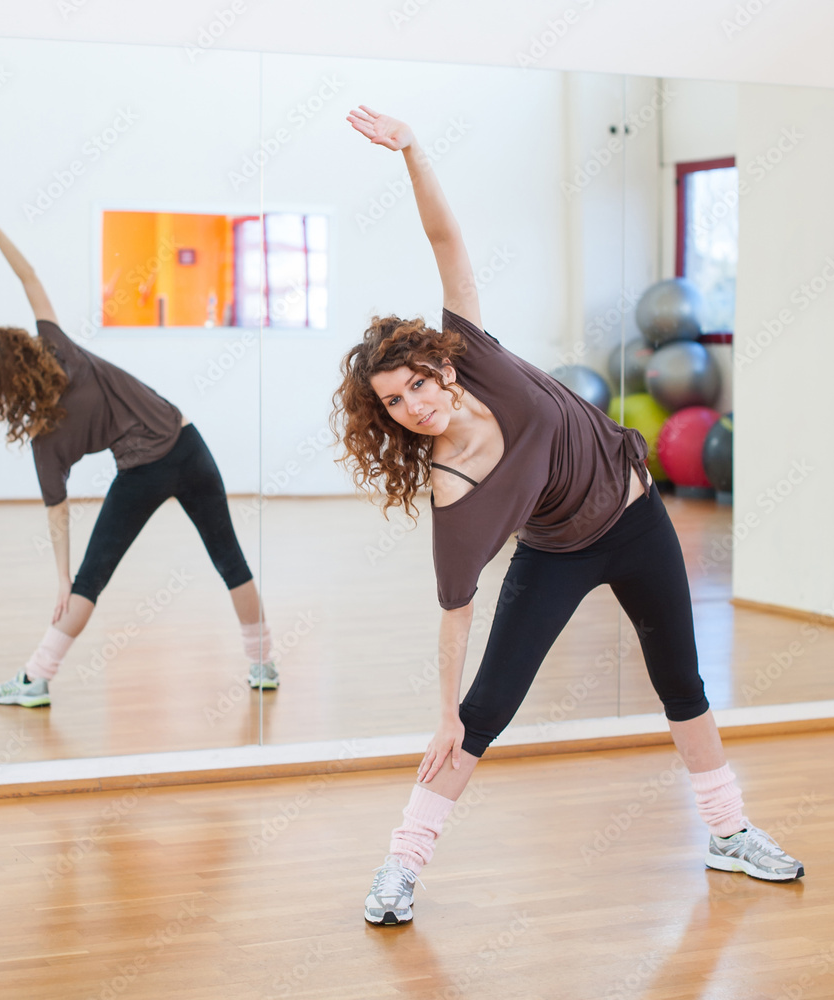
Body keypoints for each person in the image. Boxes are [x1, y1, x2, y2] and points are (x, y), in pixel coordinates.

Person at [333, 108, 803, 926]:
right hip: (557, 554)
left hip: (639, 516)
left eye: (414, 384)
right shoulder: (454, 488)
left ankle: (729, 833)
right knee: (484, 712)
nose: (411, 405)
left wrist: (413, 148)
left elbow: (446, 243)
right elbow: (455, 610)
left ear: (438, 367)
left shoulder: (470, 350)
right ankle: (402, 865)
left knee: (681, 683)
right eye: (393, 402)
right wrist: (443, 710)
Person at [0, 206, 279, 705]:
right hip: (189, 443)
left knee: (89, 580)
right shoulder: (60, 349)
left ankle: (37, 678)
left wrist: (63, 577)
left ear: (0, 392)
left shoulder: (44, 438)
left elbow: (57, 511)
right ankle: (264, 663)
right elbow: (28, 275)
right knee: (230, 560)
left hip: (143, 472)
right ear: (26, 350)